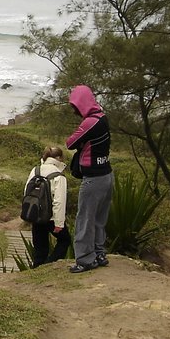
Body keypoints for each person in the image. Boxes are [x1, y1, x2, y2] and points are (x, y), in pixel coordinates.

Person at [65, 85, 112, 273]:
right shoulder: (103, 117)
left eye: (75, 105)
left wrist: (82, 140)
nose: (74, 110)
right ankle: (99, 254)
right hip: (107, 174)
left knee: (84, 219)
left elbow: (70, 143)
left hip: (93, 178)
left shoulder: (90, 122)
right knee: (99, 218)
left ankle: (85, 259)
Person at [26, 146, 71, 267]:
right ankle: (49, 266)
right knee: (65, 240)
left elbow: (27, 192)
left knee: (40, 250)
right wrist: (59, 223)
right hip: (51, 217)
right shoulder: (58, 175)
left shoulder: (35, 170)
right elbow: (59, 201)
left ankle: (36, 273)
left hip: (36, 214)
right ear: (58, 158)